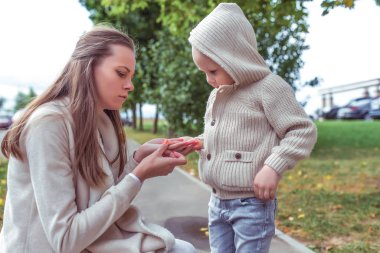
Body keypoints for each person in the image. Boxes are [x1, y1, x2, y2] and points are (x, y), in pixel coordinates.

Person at [0, 25, 197, 253]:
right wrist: (138, 175)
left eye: (131, 76)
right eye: (121, 73)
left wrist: (138, 160)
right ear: (88, 67)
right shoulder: (48, 124)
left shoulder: (101, 120)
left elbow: (101, 197)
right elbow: (65, 240)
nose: (130, 85)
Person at [171, 3, 318, 253]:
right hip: (217, 201)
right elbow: (226, 135)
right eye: (204, 72)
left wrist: (273, 167)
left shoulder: (269, 88)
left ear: (235, 57)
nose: (209, 79)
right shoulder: (218, 94)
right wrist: (199, 142)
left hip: (251, 205)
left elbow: (301, 131)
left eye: (213, 70)